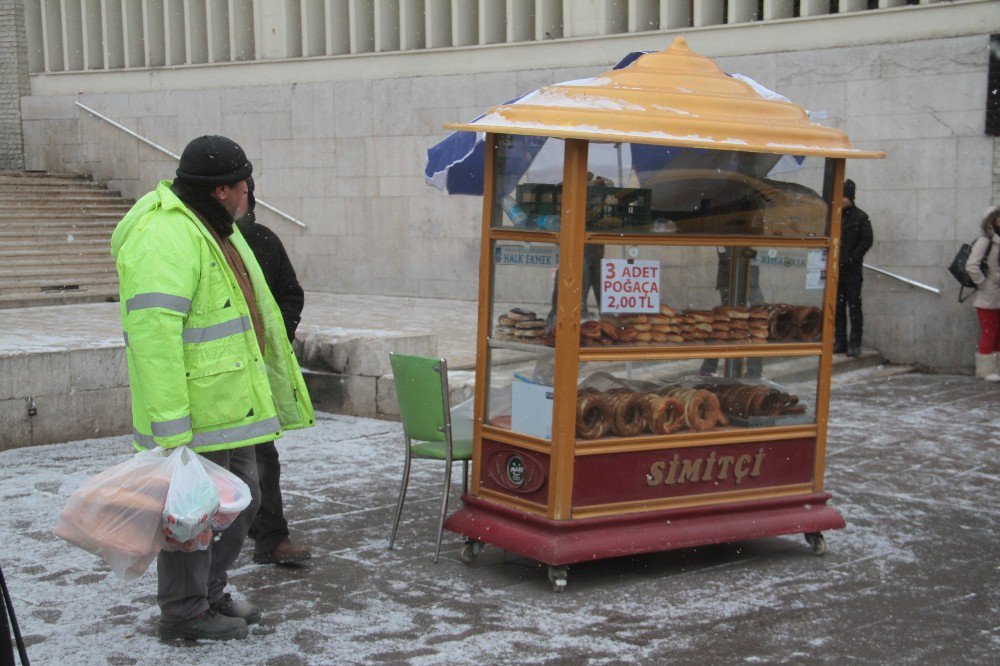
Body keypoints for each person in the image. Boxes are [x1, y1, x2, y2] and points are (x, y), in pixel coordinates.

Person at [111, 135, 315, 641]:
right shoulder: (166, 234)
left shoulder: (216, 227)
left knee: (240, 503)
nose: (251, 189)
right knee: (191, 520)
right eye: (245, 180)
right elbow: (154, 336)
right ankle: (183, 612)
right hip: (194, 415)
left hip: (228, 406)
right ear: (224, 188)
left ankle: (210, 591)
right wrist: (171, 431)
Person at [237, 178, 313, 564]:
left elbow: (290, 293)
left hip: (258, 370)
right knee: (215, 463)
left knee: (263, 455)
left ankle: (270, 536)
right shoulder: (195, 242)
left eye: (240, 191)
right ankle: (210, 541)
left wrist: (276, 332)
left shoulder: (263, 240)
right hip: (212, 377)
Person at [700, 247, 763, 378]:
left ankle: (753, 372)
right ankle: (709, 367)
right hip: (733, 280)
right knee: (725, 325)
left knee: (757, 325)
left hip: (747, 279)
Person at [834, 179, 873, 358]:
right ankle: (840, 341)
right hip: (837, 269)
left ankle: (854, 344)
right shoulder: (835, 215)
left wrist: (853, 258)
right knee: (838, 307)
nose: (840, 199)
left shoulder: (860, 217)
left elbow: (867, 240)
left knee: (854, 307)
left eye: (843, 196)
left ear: (850, 197)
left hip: (852, 270)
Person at [964, 206, 1000, 381]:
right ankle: (985, 370)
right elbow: (972, 265)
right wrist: (984, 283)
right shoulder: (985, 241)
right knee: (990, 332)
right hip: (988, 296)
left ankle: (997, 368)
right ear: (991, 221)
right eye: (998, 217)